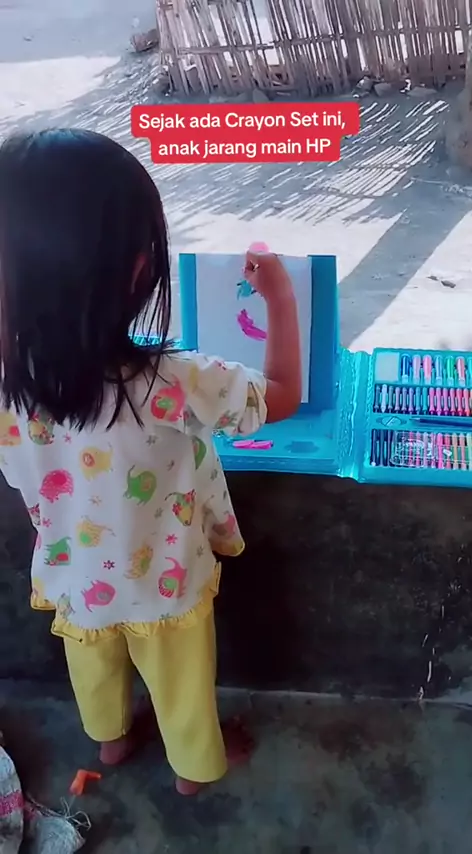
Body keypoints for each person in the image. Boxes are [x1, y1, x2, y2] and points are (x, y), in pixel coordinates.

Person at [0, 129, 301, 795]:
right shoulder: (176, 380)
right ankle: (194, 771)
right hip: (165, 584)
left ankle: (110, 742)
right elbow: (282, 395)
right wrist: (280, 296)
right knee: (180, 682)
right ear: (139, 271)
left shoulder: (9, 382)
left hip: (75, 578)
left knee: (94, 667)